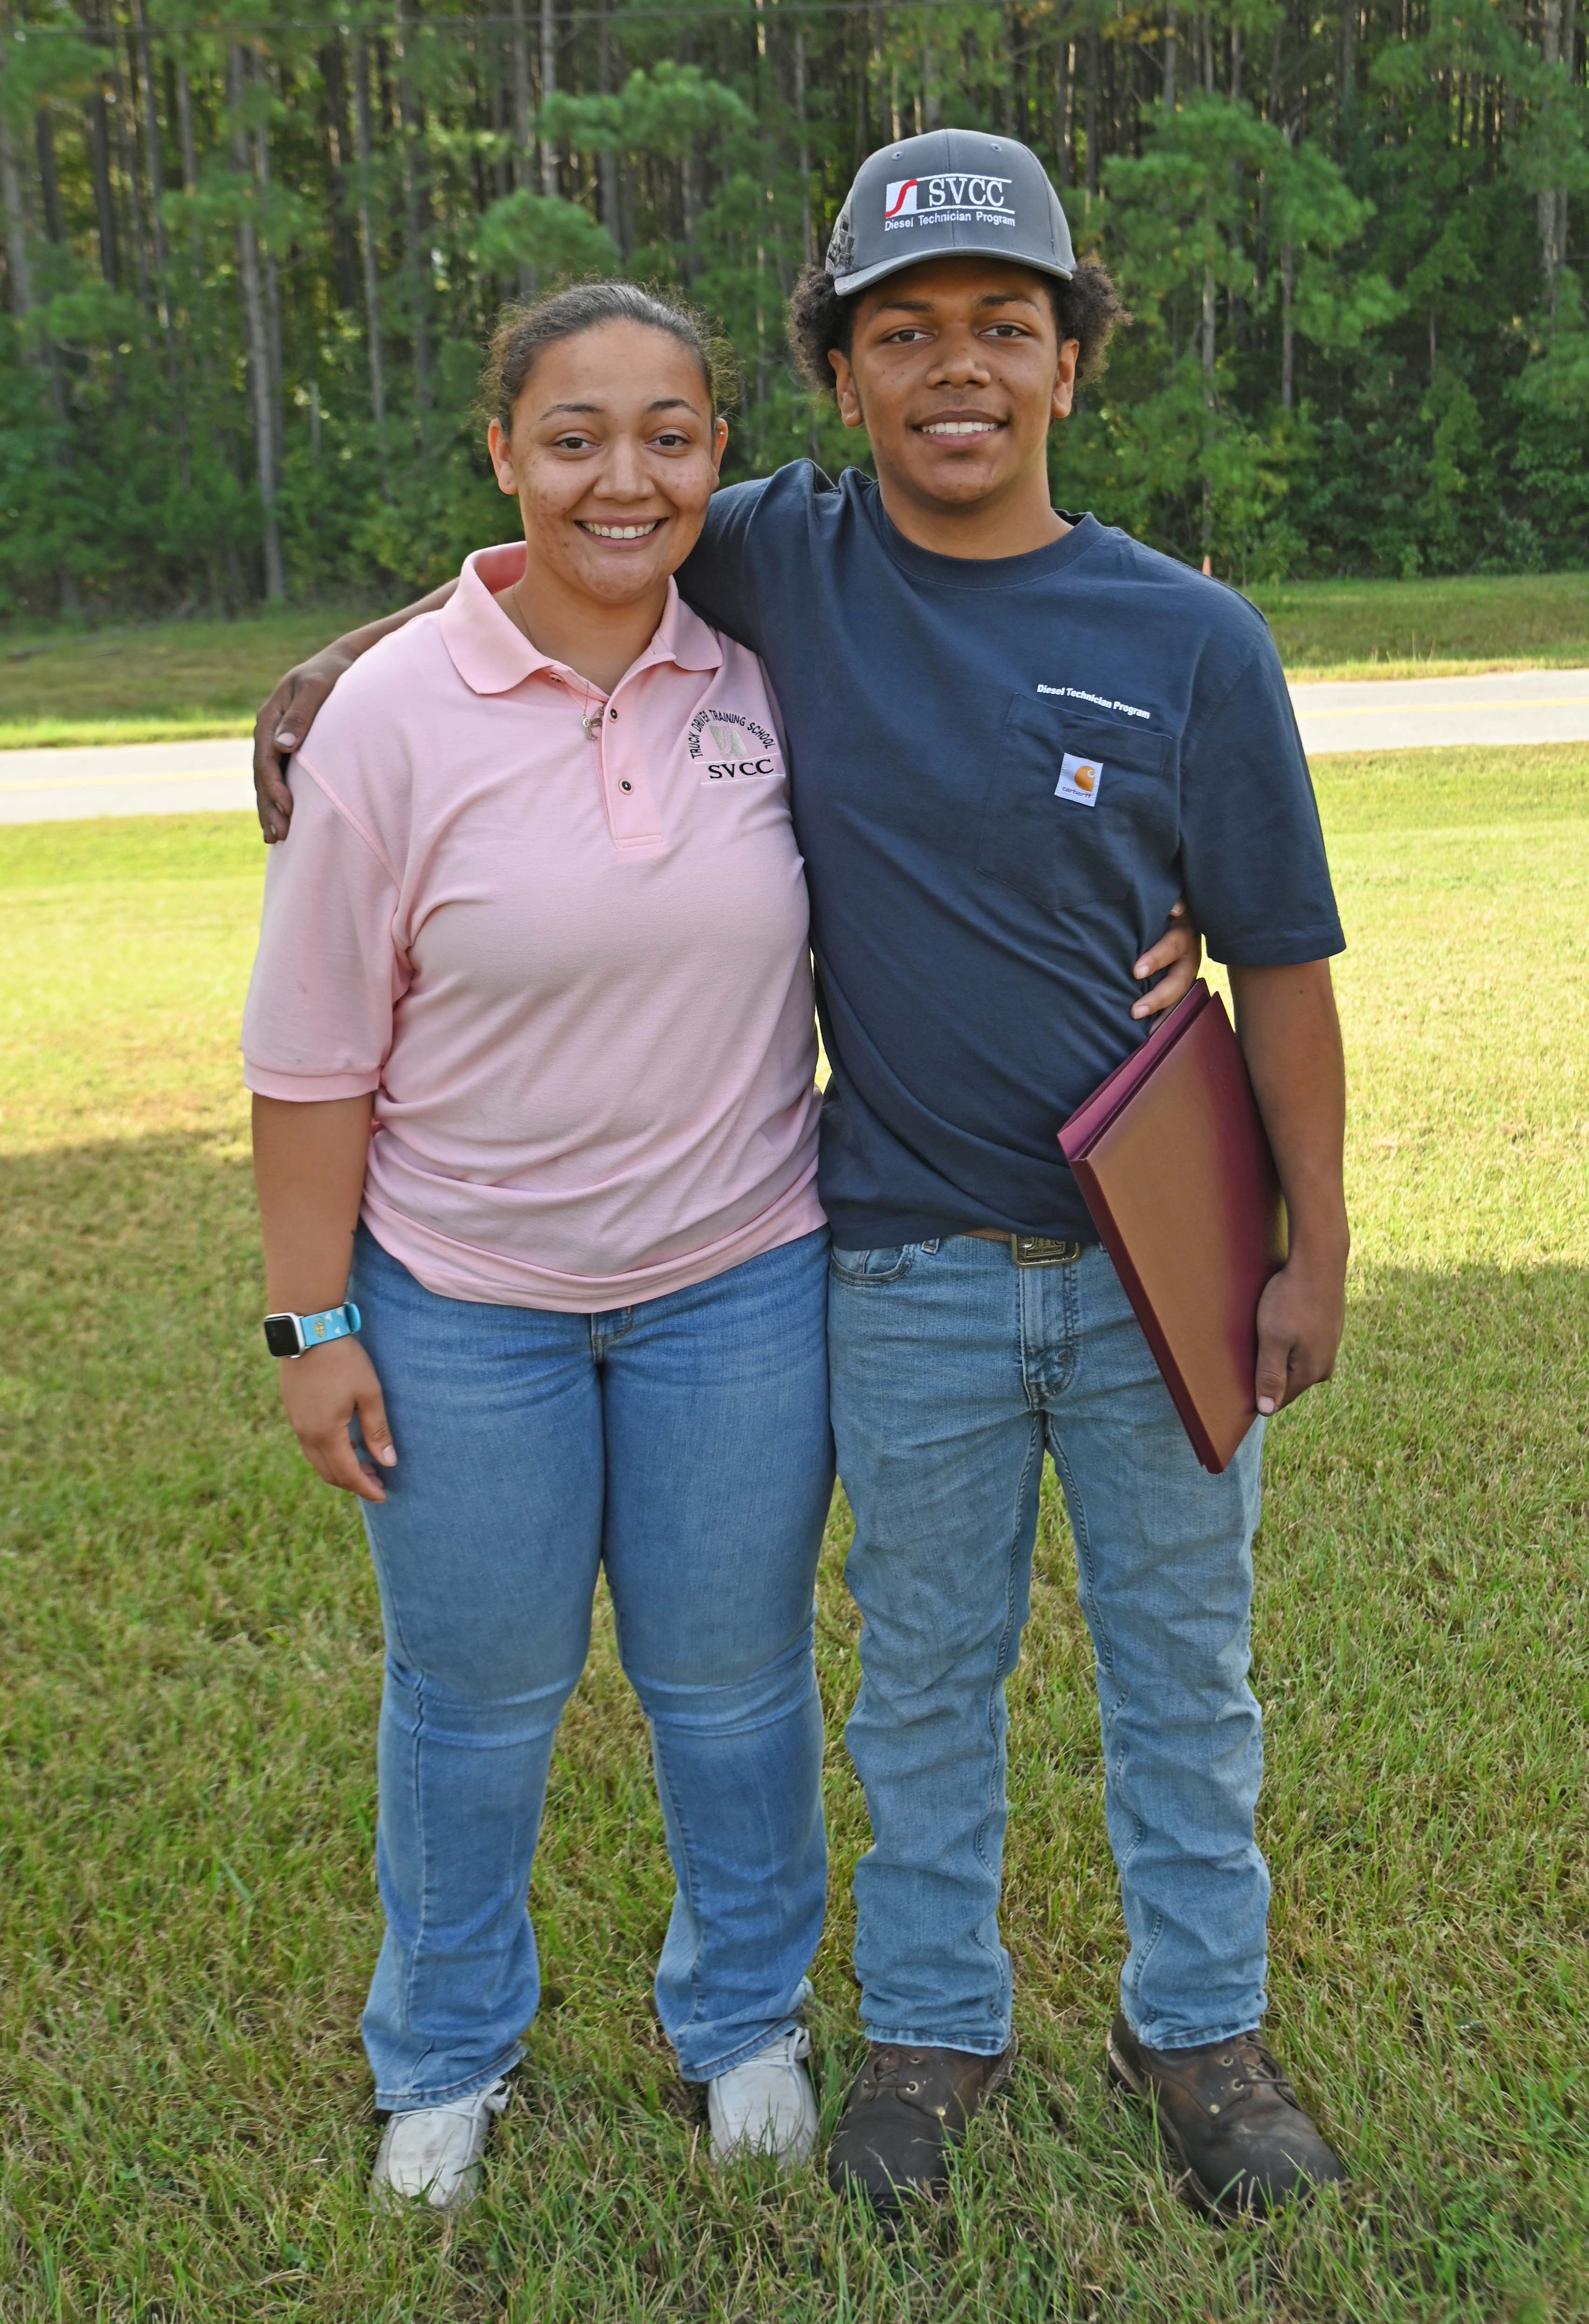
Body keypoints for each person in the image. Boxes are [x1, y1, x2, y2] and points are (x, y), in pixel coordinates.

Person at [250, 130, 1342, 2227]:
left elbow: (1284, 962)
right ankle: (929, 2024)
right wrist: (342, 664)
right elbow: (582, 521)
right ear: (840, 378)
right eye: (903, 332)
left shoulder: (1191, 633)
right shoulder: (787, 556)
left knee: (1179, 1671)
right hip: (900, 1262)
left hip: (1139, 1258)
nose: (957, 371)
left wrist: (1320, 1239)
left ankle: (1199, 2027)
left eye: (1005, 331)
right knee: (919, 1674)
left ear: (1070, 365)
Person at [244, 284, 844, 2213]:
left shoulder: (759, 666)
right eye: (574, 433)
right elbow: (313, 1051)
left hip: (738, 1281)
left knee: (734, 1682)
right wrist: (312, 1318)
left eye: (671, 433)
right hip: (463, 1304)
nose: (625, 474)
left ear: (716, 459)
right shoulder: (391, 716)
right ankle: (444, 2052)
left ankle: (746, 2021)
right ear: (501, 452)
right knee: (477, 1699)